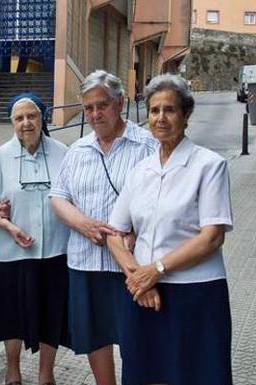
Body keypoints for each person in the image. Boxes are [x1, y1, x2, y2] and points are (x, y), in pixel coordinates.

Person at [106, 73, 233, 385]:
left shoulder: (209, 165)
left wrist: (157, 270)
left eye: (170, 110)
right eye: (154, 110)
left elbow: (212, 236)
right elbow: (114, 232)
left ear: (186, 115)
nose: (160, 118)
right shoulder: (140, 170)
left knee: (195, 374)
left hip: (195, 294)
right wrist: (138, 275)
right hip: (142, 294)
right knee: (145, 373)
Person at [49, 70, 157, 385]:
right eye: (89, 108)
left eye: (103, 105)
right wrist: (81, 223)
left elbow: (160, 200)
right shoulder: (78, 150)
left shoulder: (147, 146)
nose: (96, 114)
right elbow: (58, 197)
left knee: (136, 336)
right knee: (95, 336)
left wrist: (136, 234)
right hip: (84, 262)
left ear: (120, 103)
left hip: (132, 265)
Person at [0, 93, 70, 385]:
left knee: (51, 313)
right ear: (12, 122)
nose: (26, 123)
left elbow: (73, 198)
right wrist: (5, 222)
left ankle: (46, 373)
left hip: (55, 250)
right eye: (19, 118)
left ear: (43, 118)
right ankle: (13, 371)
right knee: (11, 316)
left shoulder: (63, 153)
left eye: (32, 116)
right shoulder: (0, 157)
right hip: (12, 252)